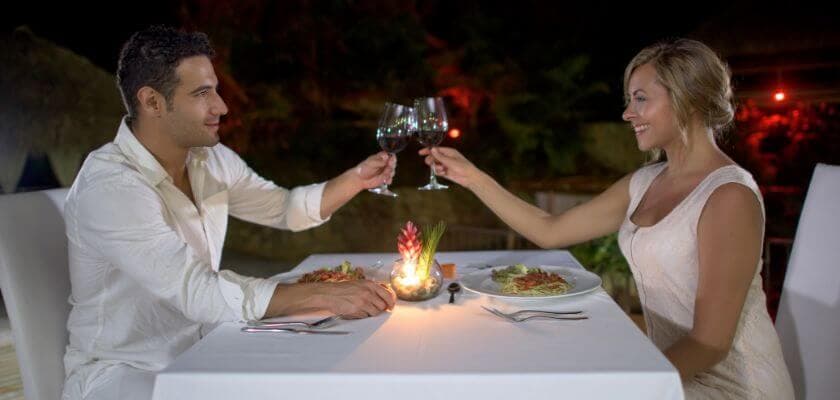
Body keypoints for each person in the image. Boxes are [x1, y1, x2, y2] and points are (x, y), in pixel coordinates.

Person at [421, 39, 794, 398]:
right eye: (629, 99)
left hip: (730, 387)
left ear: (688, 101)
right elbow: (550, 231)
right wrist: (472, 177)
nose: (627, 113)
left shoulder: (729, 196)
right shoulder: (645, 181)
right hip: (667, 368)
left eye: (641, 99)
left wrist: (628, 384)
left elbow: (710, 343)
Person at [62, 26, 396, 400]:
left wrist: (356, 179)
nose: (221, 106)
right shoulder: (112, 187)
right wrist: (324, 294)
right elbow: (196, 291)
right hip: (127, 372)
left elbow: (284, 208)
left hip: (206, 349)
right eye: (202, 94)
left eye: (215, 90)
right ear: (152, 102)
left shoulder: (210, 160)